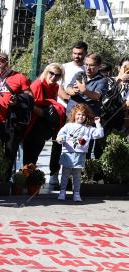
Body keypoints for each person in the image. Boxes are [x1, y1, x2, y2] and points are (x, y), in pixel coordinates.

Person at [0, 53, 31, 181]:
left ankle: (5, 179)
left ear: (6, 64)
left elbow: (30, 98)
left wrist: (17, 100)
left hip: (11, 122)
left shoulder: (19, 77)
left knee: (9, 153)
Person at [50, 42, 87, 188]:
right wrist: (67, 97)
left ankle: (73, 179)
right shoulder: (64, 67)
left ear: (85, 53)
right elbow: (57, 86)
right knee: (58, 142)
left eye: (80, 53)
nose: (77, 56)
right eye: (75, 53)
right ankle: (53, 175)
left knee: (79, 145)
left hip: (79, 115)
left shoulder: (87, 69)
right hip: (63, 111)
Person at [55, 104, 104, 202]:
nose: (81, 117)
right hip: (67, 153)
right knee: (65, 174)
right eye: (79, 114)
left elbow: (100, 134)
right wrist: (60, 139)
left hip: (80, 154)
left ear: (86, 117)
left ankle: (76, 193)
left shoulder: (88, 128)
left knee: (77, 176)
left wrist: (98, 123)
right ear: (74, 114)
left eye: (83, 115)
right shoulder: (68, 126)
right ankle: (62, 192)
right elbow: (59, 136)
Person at [65, 53, 108, 158]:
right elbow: (68, 89)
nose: (88, 68)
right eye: (86, 64)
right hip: (72, 117)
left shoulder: (102, 80)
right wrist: (74, 91)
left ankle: (84, 173)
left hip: (87, 121)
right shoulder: (79, 75)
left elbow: (97, 96)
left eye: (92, 65)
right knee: (68, 147)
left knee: (84, 148)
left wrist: (84, 90)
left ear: (99, 66)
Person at [22, 63, 66, 166]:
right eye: (52, 73)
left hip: (43, 127)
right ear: (46, 72)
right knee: (29, 157)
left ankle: (30, 179)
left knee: (34, 157)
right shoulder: (38, 84)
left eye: (58, 75)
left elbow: (52, 103)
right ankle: (25, 179)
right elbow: (29, 104)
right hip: (32, 125)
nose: (54, 77)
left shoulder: (55, 86)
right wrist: (43, 113)